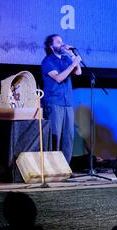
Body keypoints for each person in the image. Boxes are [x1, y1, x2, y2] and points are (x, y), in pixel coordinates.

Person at [41, 34, 82, 164]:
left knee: (68, 136)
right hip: (54, 102)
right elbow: (58, 78)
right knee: (55, 136)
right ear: (51, 46)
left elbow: (78, 72)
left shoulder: (65, 59)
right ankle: (52, 167)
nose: (62, 44)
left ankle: (64, 167)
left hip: (67, 103)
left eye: (62, 41)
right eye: (58, 42)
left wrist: (72, 57)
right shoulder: (48, 61)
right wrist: (72, 64)